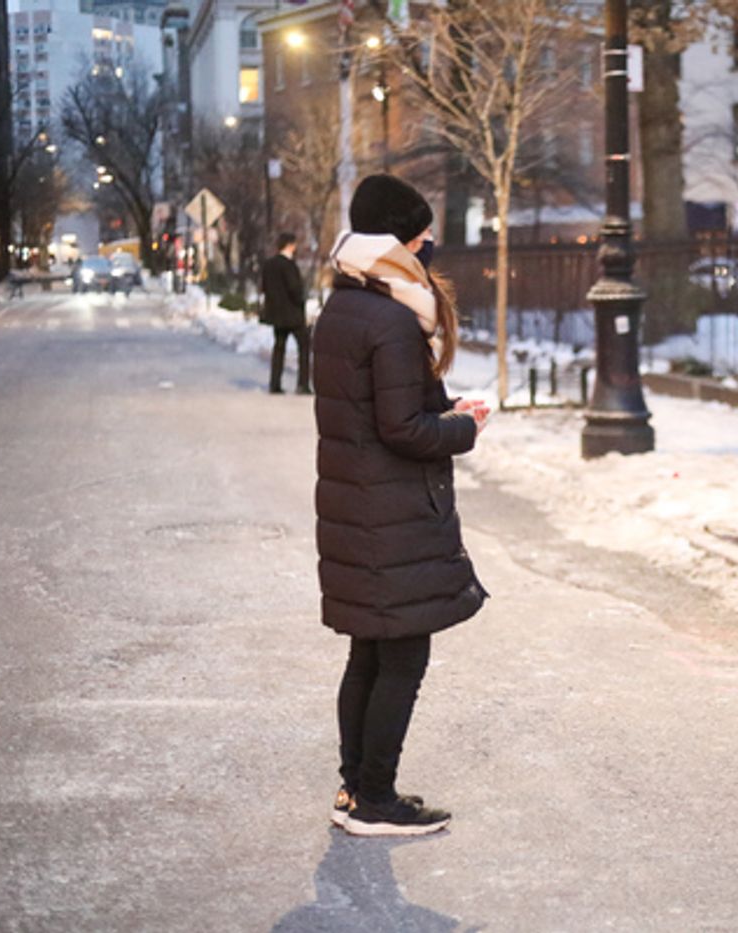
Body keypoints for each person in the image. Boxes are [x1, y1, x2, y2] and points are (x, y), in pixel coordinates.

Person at [313, 174, 491, 836]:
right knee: (402, 656)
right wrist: (464, 426)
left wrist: (441, 405)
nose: (429, 245)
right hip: (388, 513)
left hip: (359, 506)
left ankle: (356, 787)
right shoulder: (390, 319)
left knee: (371, 652)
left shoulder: (347, 306)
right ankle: (377, 799)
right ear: (396, 239)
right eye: (420, 235)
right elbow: (401, 428)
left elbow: (377, 409)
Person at [262, 232, 311, 395]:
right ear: (289, 245)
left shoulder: (269, 264)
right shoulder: (289, 265)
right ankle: (303, 384)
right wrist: (302, 300)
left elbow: (264, 287)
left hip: (276, 314)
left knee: (279, 347)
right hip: (293, 314)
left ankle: (274, 384)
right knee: (304, 345)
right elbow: (294, 289)